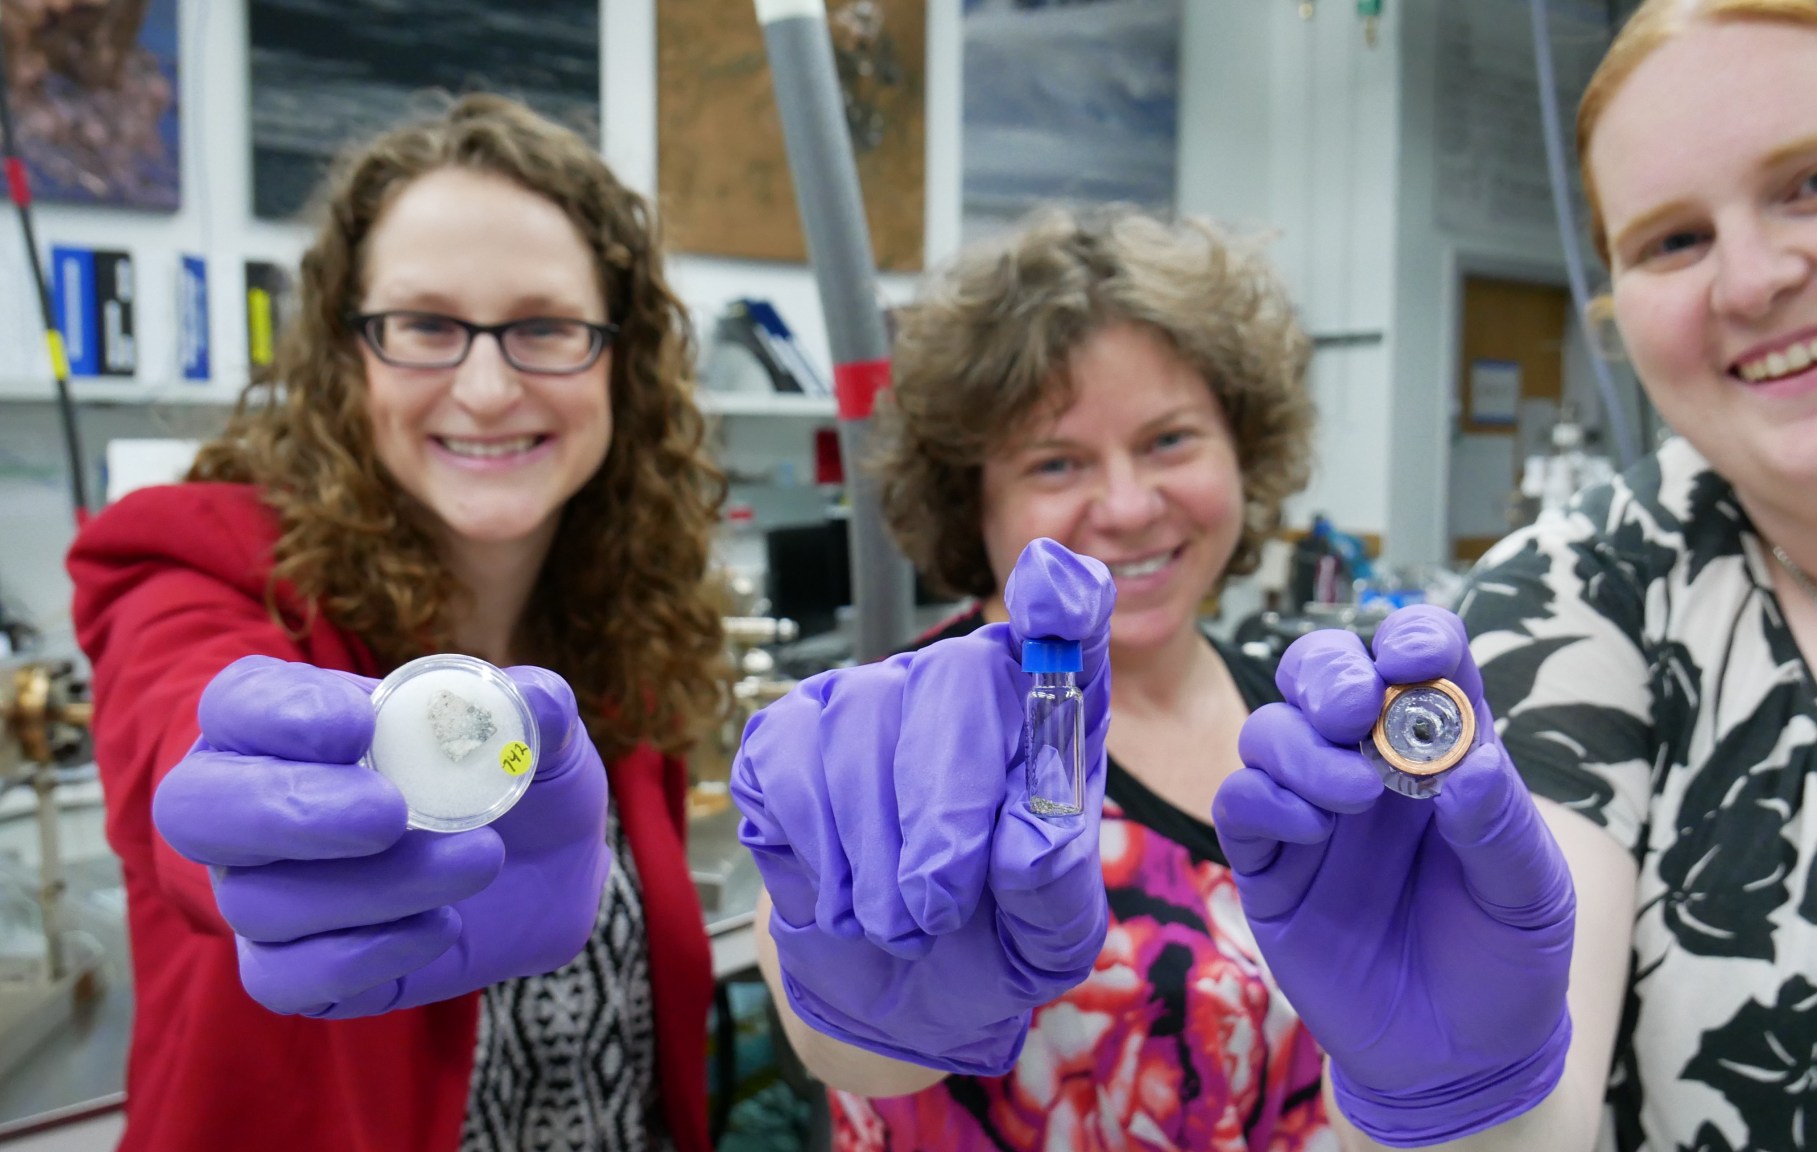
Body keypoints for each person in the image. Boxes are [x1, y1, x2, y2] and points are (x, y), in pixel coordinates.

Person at [1213, 1, 1817, 1149]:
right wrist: (1451, 1104)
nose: (1749, 281)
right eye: (1670, 241)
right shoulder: (1585, 599)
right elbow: (1542, 1119)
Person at [67, 94, 729, 1152]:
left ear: (622, 358)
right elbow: (176, 729)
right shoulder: (197, 560)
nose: (483, 386)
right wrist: (255, 812)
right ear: (346, 356)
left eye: (544, 327)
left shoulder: (619, 630)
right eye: (424, 326)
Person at [728, 207, 1332, 1147]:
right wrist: (866, 1016)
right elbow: (843, 1043)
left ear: (1244, 452)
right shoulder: (911, 733)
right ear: (975, 502)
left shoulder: (1301, 724)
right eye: (1057, 462)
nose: (1129, 505)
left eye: (1170, 439)